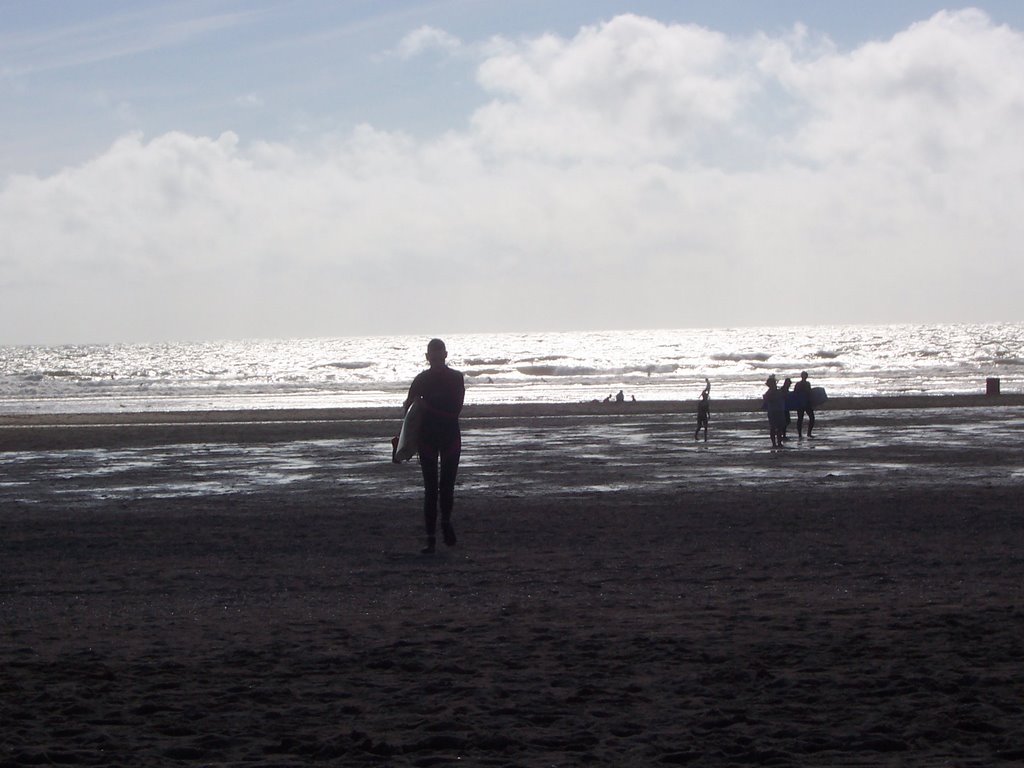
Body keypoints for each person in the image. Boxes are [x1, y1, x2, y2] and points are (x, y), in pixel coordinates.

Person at [403, 339, 465, 554]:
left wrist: (427, 406)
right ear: (427, 357)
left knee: (447, 488)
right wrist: (403, 439)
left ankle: (446, 523)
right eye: (433, 357)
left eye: (440, 357)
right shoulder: (421, 379)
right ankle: (430, 540)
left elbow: (455, 410)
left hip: (450, 438)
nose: (437, 361)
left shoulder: (456, 378)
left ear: (445, 355)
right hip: (427, 439)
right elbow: (407, 409)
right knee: (430, 490)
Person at [763, 375, 786, 448]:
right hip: (774, 411)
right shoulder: (770, 393)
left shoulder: (776, 391)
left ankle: (778, 443)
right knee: (774, 428)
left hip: (776, 410)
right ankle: (775, 443)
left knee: (778, 428)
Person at [793, 370, 815, 438]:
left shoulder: (807, 383)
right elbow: (795, 393)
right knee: (800, 419)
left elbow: (809, 393)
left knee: (811, 418)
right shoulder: (799, 384)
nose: (805, 377)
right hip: (801, 403)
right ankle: (800, 434)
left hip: (806, 403)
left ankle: (808, 433)